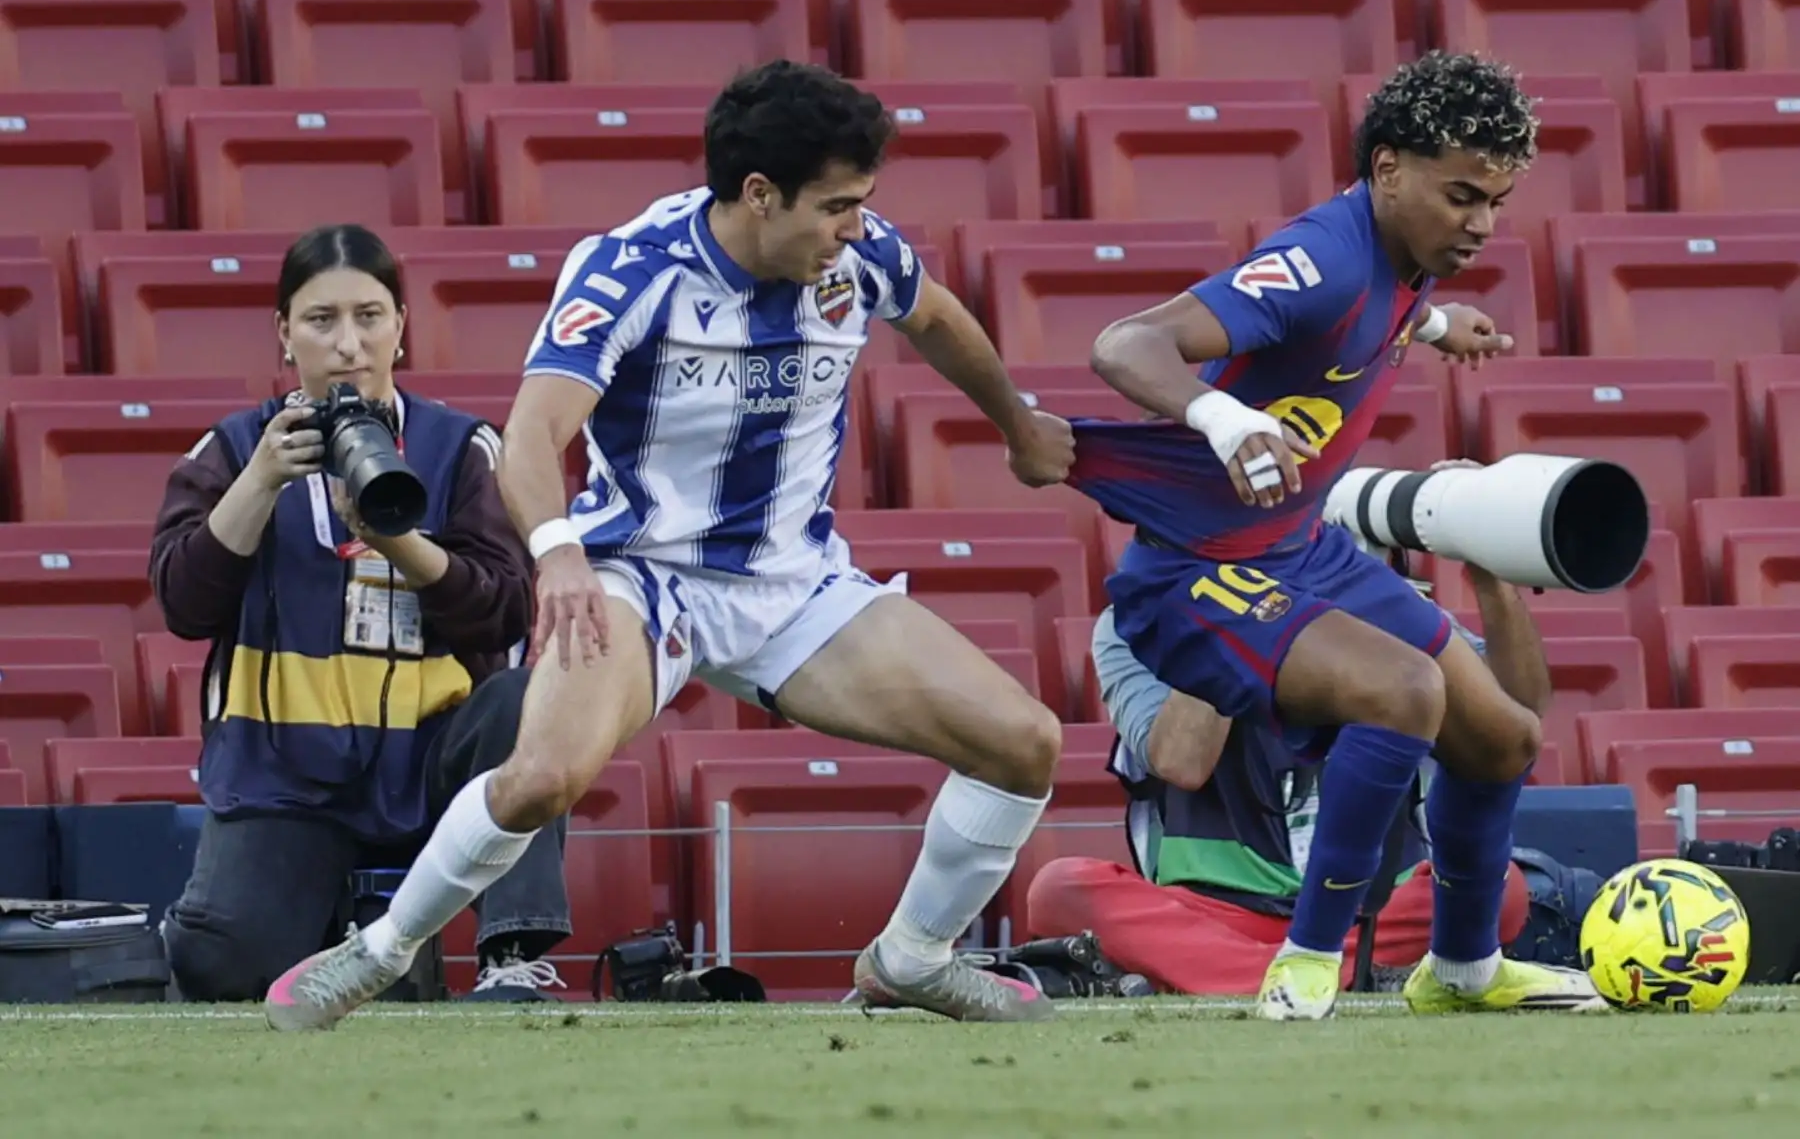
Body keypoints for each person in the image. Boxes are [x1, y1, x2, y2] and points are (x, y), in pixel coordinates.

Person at [263, 60, 1078, 1031]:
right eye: (837, 207)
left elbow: (936, 318)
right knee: (542, 779)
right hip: (641, 580)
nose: (856, 228)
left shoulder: (859, 259)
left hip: (795, 585)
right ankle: (379, 952)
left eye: (862, 205)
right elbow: (530, 437)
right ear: (760, 195)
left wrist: (1016, 425)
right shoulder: (632, 272)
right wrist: (559, 552)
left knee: (1024, 744)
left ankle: (913, 958)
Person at [1065, 51, 1597, 1019]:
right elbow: (1124, 343)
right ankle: (1308, 963)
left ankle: (1465, 971)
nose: (1480, 223)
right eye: (1462, 196)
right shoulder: (1321, 257)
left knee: (1501, 736)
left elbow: (1376, 315)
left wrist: (1443, 329)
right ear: (1388, 168)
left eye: (1496, 201)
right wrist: (1222, 422)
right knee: (1403, 694)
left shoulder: (1402, 263)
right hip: (1194, 569)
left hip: (1299, 547)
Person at [151, 224, 572, 1004]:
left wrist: (400, 543)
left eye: (370, 316)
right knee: (220, 970)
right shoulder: (234, 447)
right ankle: (311, 927)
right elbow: (182, 603)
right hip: (283, 771)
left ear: (401, 326)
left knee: (525, 700)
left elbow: (507, 611)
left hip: (436, 759)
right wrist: (259, 483)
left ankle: (513, 956)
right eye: (321, 320)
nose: (348, 344)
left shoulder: (459, 446)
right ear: (284, 334)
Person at [1028, 497, 1552, 997]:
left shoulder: (1393, 612)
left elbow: (1515, 721)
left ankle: (1256, 971)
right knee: (1059, 890)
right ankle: (1350, 970)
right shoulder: (1131, 628)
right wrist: (1229, 615)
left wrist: (1490, 570)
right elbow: (1181, 762)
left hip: (1373, 906)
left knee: (1499, 888)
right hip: (1216, 908)